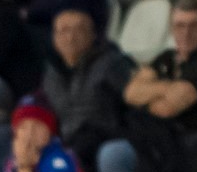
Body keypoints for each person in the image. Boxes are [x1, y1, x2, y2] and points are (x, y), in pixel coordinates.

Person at [94, 0, 197, 172]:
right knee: (98, 150)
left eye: (194, 25)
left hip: (189, 150)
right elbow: (130, 93)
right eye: (180, 26)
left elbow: (165, 109)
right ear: (172, 29)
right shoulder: (167, 57)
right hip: (155, 142)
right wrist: (166, 87)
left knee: (113, 155)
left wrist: (148, 93)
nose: (186, 32)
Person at [39, 8, 134, 147]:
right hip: (63, 141)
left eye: (79, 30)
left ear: (93, 35)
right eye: (64, 31)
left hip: (102, 140)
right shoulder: (51, 71)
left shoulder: (111, 63)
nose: (71, 38)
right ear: (54, 38)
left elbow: (131, 104)